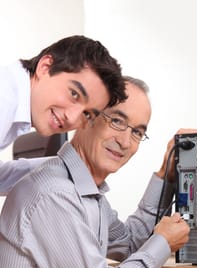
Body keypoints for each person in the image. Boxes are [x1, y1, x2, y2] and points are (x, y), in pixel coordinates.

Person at [0, 76, 191, 268]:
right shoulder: (56, 195)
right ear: (87, 118)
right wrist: (163, 242)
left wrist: (166, 177)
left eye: (137, 132)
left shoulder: (88, 195)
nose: (125, 141)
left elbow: (129, 242)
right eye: (117, 121)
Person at [0, 35, 127, 194]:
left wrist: (65, 167)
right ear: (45, 67)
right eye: (74, 94)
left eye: (87, 114)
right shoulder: (4, 98)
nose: (72, 118)